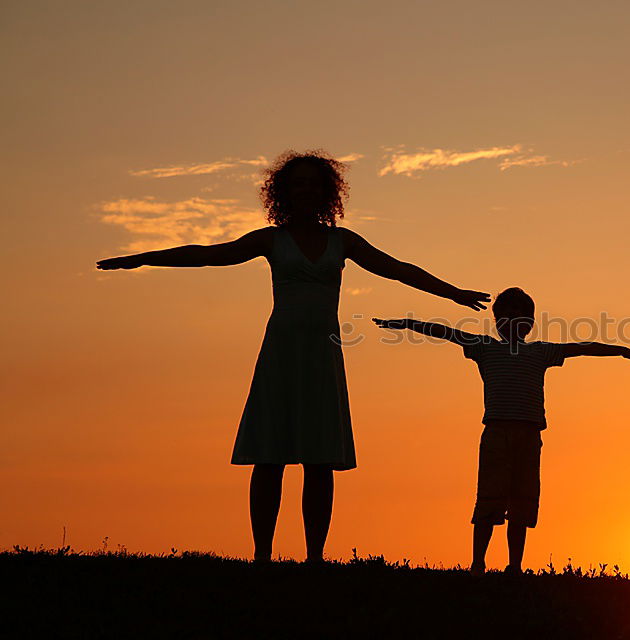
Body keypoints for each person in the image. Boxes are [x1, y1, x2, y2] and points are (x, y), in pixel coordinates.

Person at [96, 149, 490, 564]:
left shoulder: (344, 241)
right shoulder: (270, 239)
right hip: (281, 351)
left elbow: (397, 268)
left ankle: (314, 558)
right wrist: (140, 259)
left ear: (327, 191)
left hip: (322, 353)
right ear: (283, 192)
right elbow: (207, 254)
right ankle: (262, 555)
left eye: (312, 183)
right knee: (269, 455)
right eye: (297, 182)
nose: (305, 189)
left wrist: (453, 293)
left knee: (319, 459)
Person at [373, 287, 630, 575]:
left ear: (530, 323)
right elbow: (444, 332)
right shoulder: (484, 347)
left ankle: (515, 566)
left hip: (530, 435)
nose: (512, 322)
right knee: (489, 497)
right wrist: (408, 324)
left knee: (523, 500)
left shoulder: (541, 351)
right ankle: (478, 563)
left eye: (520, 316)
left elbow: (584, 347)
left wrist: (624, 351)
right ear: (496, 321)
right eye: (505, 316)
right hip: (497, 433)